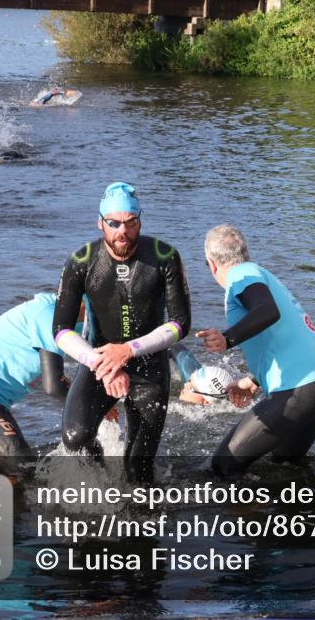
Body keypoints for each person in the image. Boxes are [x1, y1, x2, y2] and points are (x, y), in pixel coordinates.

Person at [53, 182, 191, 484]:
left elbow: (181, 323)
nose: (122, 232)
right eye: (114, 224)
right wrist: (102, 364)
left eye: (130, 223)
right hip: (98, 363)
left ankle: (140, 519)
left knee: (137, 468)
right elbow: (61, 331)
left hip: (148, 364)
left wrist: (128, 350)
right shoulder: (81, 261)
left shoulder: (164, 256)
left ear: (140, 221)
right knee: (75, 438)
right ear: (100, 222)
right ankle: (103, 488)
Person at [196, 225, 315, 478]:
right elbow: (286, 333)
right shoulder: (261, 275)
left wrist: (226, 339)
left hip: (300, 391)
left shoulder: (241, 275)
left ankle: (245, 518)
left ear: (211, 264)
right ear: (246, 251)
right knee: (284, 469)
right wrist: (253, 380)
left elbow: (267, 312)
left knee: (224, 466)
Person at [0, 292, 110, 476]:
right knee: (24, 470)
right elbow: (53, 385)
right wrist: (96, 410)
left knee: (21, 466)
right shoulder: (49, 315)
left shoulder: (83, 322)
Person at [170, 343, 258, 407]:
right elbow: (176, 348)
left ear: (206, 402)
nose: (186, 385)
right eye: (190, 380)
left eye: (192, 388)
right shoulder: (193, 387)